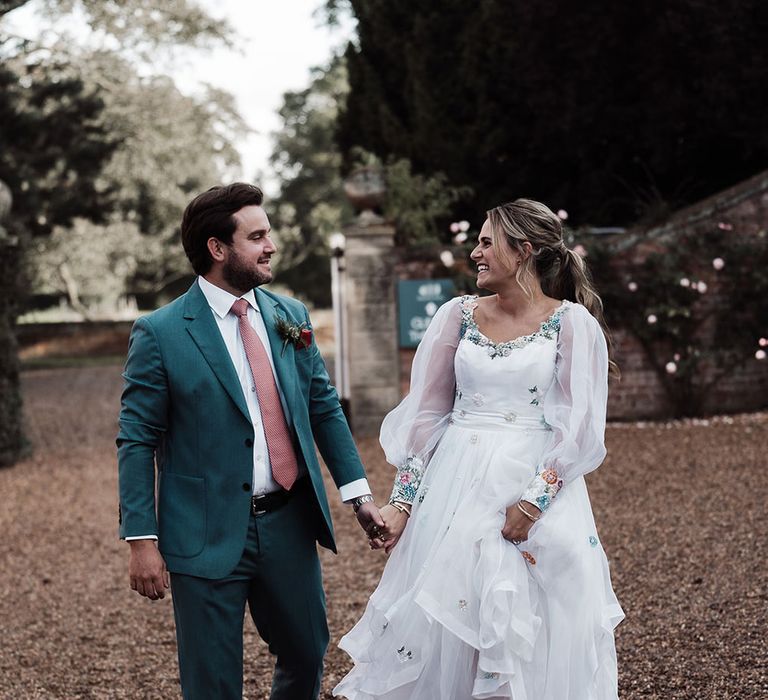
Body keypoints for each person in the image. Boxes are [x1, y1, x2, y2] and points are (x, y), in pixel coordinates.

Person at [334, 199, 624, 699]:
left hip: (535, 489)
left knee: (531, 626)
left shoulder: (572, 324)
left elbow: (579, 431)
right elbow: (426, 417)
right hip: (453, 489)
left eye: (487, 242)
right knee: (448, 619)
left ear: (524, 250)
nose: (475, 253)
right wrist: (402, 503)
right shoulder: (456, 316)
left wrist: (533, 504)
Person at [117, 182, 383, 700]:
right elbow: (136, 439)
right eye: (257, 236)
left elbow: (323, 406)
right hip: (204, 529)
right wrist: (141, 539)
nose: (272, 245)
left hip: (288, 520)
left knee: (307, 652)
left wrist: (358, 494)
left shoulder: (290, 316)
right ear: (218, 249)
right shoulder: (160, 332)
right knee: (213, 681)